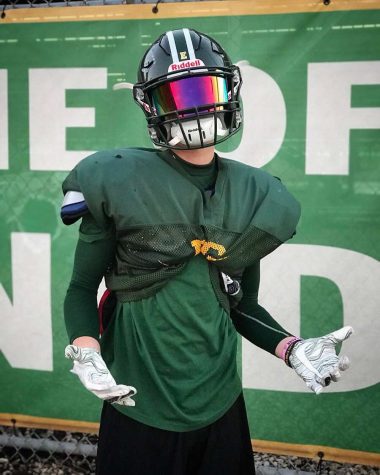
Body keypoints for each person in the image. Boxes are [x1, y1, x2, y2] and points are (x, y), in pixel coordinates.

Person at [61, 28, 353, 475]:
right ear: (150, 105)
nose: (193, 108)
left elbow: (243, 305)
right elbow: (82, 286)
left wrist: (291, 348)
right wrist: (86, 351)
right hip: (139, 404)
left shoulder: (253, 194)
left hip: (221, 403)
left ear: (229, 90)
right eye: (174, 96)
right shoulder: (115, 179)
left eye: (203, 90)